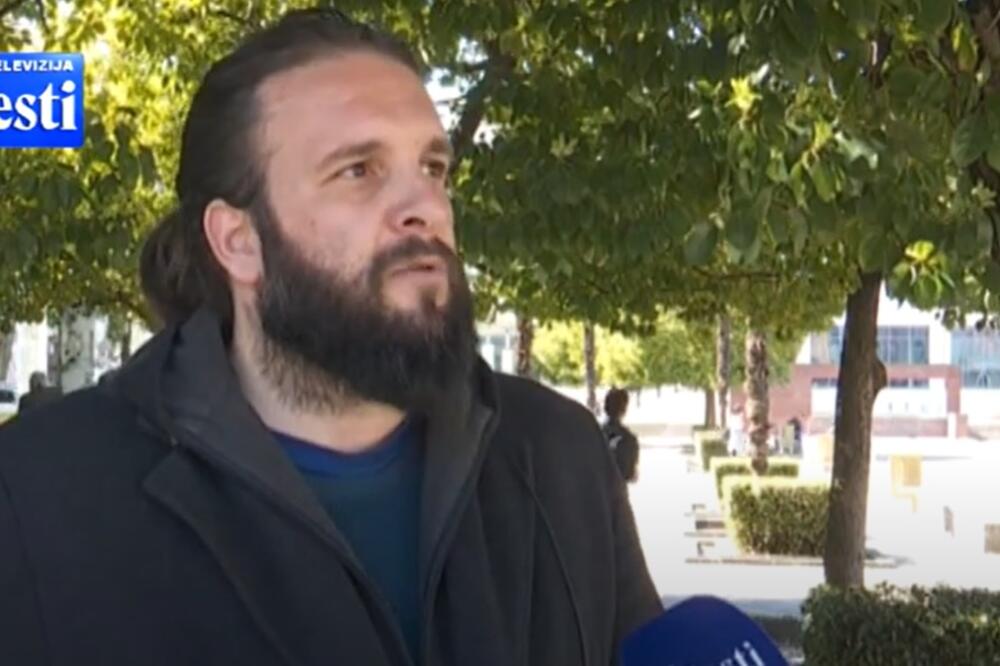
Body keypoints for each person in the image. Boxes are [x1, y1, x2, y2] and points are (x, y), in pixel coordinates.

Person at [0, 9, 661, 666]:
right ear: (238, 242)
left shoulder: (558, 459)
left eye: (433, 168)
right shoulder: (40, 498)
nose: (427, 208)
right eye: (359, 170)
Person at [602, 387, 641, 483]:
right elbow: (631, 475)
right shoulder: (629, 439)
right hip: (617, 489)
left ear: (605, 407)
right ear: (624, 409)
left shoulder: (593, 434)